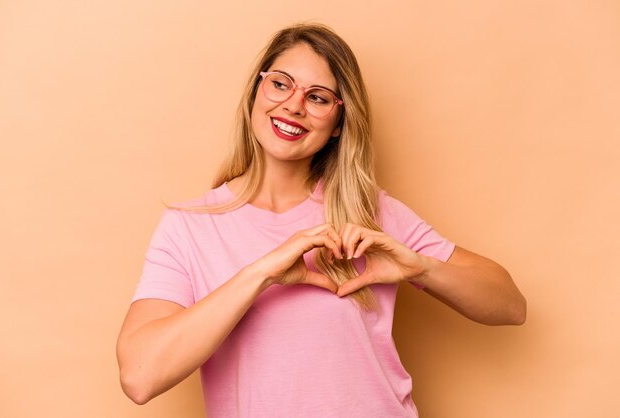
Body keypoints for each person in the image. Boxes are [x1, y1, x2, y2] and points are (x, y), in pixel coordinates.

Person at [116, 23, 526, 417]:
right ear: (256, 92)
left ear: (337, 123)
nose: (293, 105)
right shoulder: (189, 226)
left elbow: (510, 305)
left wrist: (421, 267)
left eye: (318, 97)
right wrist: (262, 273)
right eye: (280, 84)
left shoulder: (369, 213)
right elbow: (140, 377)